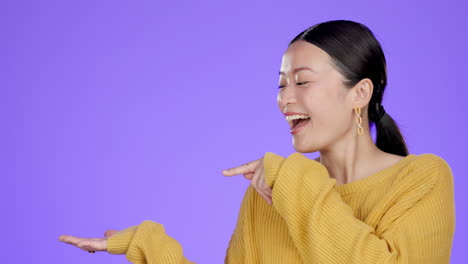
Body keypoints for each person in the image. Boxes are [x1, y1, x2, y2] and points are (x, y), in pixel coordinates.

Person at [58, 20, 456, 263]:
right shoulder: (269, 191)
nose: (285, 98)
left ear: (359, 93)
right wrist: (147, 245)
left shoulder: (423, 179)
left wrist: (294, 180)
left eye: (302, 81)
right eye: (281, 84)